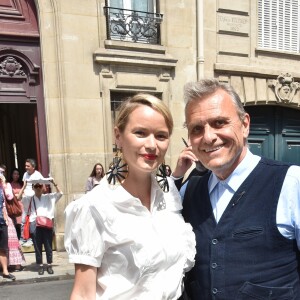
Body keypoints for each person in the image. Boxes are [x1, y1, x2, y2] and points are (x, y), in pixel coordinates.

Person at [173, 79, 300, 299]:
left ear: (245, 125)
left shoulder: (291, 183)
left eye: (219, 122)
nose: (208, 137)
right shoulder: (189, 191)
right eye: (196, 128)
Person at [64, 93, 196, 299]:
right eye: (140, 133)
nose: (152, 145)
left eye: (161, 136)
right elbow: (83, 293)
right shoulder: (94, 207)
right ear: (118, 136)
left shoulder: (169, 194)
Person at [20, 179, 63, 275]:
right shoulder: (29, 199)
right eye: (36, 186)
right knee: (37, 247)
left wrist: (54, 183)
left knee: (48, 246)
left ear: (43, 187)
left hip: (47, 224)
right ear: (33, 188)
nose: (38, 188)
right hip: (35, 224)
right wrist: (24, 185)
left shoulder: (48, 197)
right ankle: (40, 266)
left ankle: (49, 265)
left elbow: (60, 193)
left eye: (40, 186)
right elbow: (18, 197)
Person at [0, 165, 25, 272]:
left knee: (11, 238)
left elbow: (10, 196)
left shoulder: (6, 185)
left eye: (2, 173)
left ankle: (16, 264)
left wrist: (4, 184)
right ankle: (4, 266)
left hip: (6, 215)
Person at [0, 170, 16, 280]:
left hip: (1, 221)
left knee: (3, 248)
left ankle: (5, 271)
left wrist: (4, 184)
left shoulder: (2, 189)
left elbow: (9, 198)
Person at [9, 168, 23, 240]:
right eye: (15, 174)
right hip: (14, 206)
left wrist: (18, 195)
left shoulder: (21, 184)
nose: (16, 175)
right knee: (16, 224)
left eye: (17, 174)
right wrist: (17, 195)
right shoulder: (9, 185)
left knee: (21, 223)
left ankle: (22, 239)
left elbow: (23, 194)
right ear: (12, 175)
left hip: (21, 205)